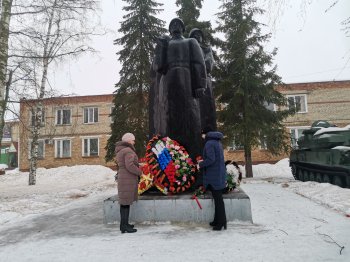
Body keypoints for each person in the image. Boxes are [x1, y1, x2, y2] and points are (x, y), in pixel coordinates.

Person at [151, 18, 207, 160]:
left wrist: (200, 84)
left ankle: (192, 154)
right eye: (172, 25)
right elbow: (158, 67)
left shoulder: (190, 42)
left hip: (186, 78)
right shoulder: (166, 43)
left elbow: (199, 64)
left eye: (178, 24)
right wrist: (161, 46)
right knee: (170, 115)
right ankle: (171, 155)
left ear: (183, 28)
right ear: (169, 30)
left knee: (190, 113)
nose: (175, 26)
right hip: (169, 82)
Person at [198, 126, 227, 231]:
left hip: (213, 175)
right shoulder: (217, 142)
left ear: (205, 134)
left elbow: (211, 159)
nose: (202, 136)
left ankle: (221, 223)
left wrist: (200, 164)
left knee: (218, 200)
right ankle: (217, 220)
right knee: (218, 199)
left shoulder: (209, 143)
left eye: (202, 134)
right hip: (218, 173)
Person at [189, 28, 217, 131]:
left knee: (206, 108)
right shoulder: (187, 49)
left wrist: (198, 67)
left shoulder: (206, 49)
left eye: (199, 34)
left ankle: (208, 131)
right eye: (194, 34)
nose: (197, 36)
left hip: (205, 80)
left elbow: (208, 64)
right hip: (190, 81)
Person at [115, 132, 142, 233]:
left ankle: (124, 225)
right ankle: (124, 226)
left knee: (124, 203)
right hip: (128, 178)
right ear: (128, 140)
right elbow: (130, 165)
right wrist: (140, 172)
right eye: (133, 140)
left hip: (124, 177)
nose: (134, 141)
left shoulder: (121, 150)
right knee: (126, 203)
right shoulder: (128, 151)